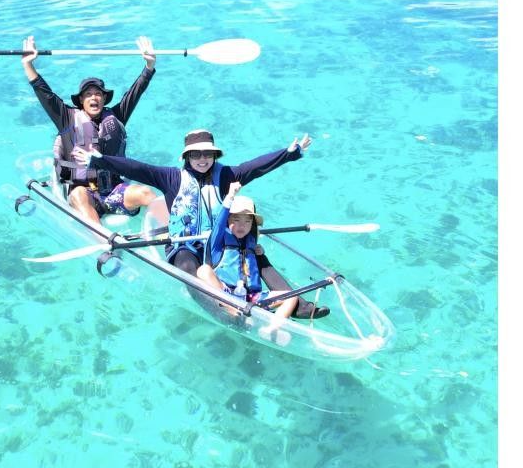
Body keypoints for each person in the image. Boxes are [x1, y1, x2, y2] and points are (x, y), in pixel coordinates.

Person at [74, 129, 328, 319]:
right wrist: (100, 160)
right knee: (187, 266)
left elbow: (256, 167)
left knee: (255, 255)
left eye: (207, 154)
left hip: (217, 242)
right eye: (196, 154)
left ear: (214, 155)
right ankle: (220, 310)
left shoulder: (227, 175)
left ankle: (299, 305)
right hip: (184, 245)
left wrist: (289, 154)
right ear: (187, 156)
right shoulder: (171, 177)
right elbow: (138, 168)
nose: (202, 159)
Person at [22, 35, 162, 225]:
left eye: (98, 94)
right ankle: (105, 246)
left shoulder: (116, 116)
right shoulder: (66, 118)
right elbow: (44, 93)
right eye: (88, 94)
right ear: (81, 100)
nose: (93, 97)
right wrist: (29, 65)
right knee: (80, 194)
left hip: (113, 191)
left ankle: (175, 234)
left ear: (104, 99)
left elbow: (135, 92)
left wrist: (149, 66)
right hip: (82, 193)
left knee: (145, 193)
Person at [196, 182, 299, 332]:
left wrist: (259, 252)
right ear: (228, 220)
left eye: (247, 221)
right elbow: (219, 222)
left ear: (252, 224)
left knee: (291, 297)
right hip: (227, 295)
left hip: (252, 298)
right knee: (203, 270)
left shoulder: (252, 243)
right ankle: (233, 312)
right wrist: (231, 195)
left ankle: (270, 329)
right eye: (236, 220)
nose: (241, 226)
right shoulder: (218, 243)